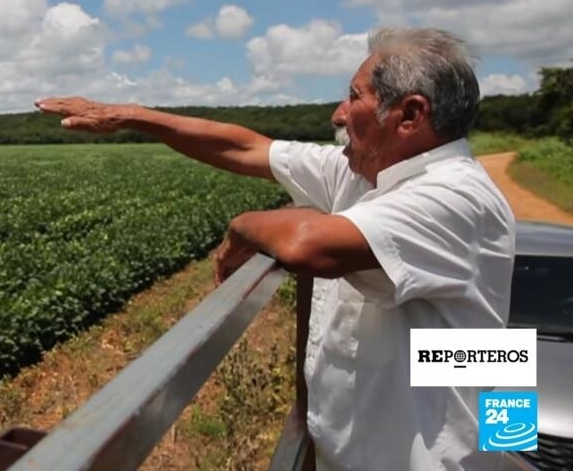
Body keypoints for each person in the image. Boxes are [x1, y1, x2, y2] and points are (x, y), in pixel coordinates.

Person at [35, 27, 516, 471]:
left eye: (354, 97)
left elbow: (306, 246)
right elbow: (247, 148)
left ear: (410, 114)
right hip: (349, 451)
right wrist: (131, 116)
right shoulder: (362, 171)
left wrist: (245, 225)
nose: (338, 114)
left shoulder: (454, 195)